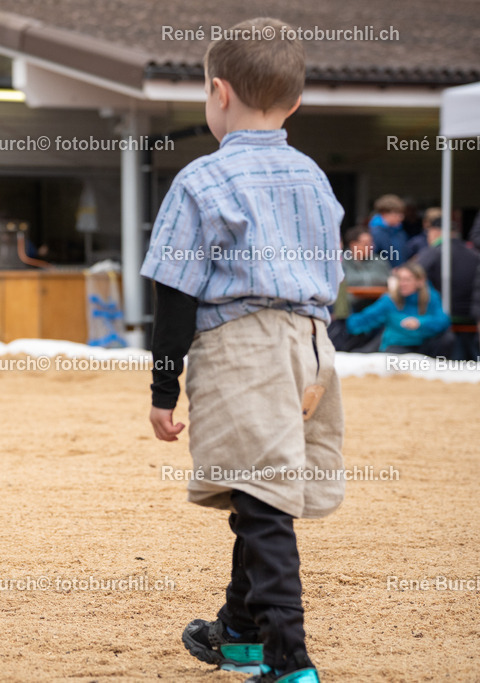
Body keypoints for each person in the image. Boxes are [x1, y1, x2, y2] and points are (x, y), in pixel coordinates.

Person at [142, 18, 344, 683]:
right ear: (294, 101)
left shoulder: (202, 179)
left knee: (262, 506)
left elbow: (174, 293)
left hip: (245, 345)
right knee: (259, 488)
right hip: (313, 346)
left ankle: (291, 661)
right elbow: (332, 275)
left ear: (218, 93)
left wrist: (163, 390)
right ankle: (240, 633)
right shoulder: (314, 177)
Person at [413, 208, 480, 359]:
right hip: (472, 315)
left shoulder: (433, 252)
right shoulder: (474, 254)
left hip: (444, 318)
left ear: (435, 232)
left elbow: (414, 275)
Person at [346, 263, 453, 357]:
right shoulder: (389, 300)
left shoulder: (431, 297)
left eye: (407, 279)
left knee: (447, 339)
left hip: (424, 344)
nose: (402, 283)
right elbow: (366, 318)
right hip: (398, 345)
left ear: (420, 281)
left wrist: (420, 322)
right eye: (400, 279)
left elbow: (443, 320)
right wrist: (343, 320)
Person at [327, 226, 388, 352]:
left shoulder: (379, 262)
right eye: (365, 243)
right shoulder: (341, 263)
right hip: (350, 307)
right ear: (353, 245)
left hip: (377, 304)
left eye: (371, 243)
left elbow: (389, 280)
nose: (371, 246)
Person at [369, 194, 408, 267]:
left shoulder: (400, 233)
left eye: (401, 213)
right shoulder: (375, 233)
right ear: (384, 213)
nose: (401, 217)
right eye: (396, 213)